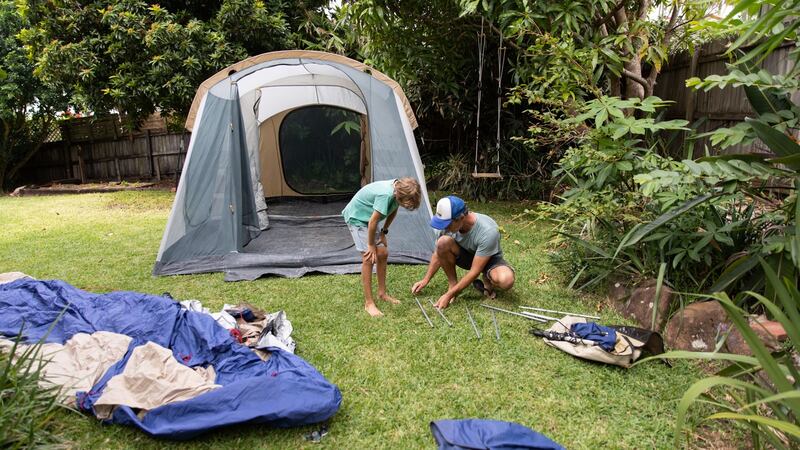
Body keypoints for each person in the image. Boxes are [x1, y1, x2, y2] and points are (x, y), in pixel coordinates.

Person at [411, 195, 515, 309]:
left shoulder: (488, 231)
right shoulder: (446, 226)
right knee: (442, 242)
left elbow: (474, 271)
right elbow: (439, 253)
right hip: (466, 256)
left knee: (506, 280)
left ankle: (487, 277)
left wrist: (448, 295)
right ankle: (453, 284)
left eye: (447, 224)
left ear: (461, 217)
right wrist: (426, 279)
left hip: (489, 259)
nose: (444, 228)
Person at [343, 177, 422, 317]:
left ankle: (382, 293)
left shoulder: (399, 190)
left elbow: (393, 209)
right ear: (398, 194)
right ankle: (369, 303)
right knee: (369, 258)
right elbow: (372, 222)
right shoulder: (386, 195)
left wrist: (384, 232)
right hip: (357, 217)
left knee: (383, 253)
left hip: (369, 217)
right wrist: (370, 245)